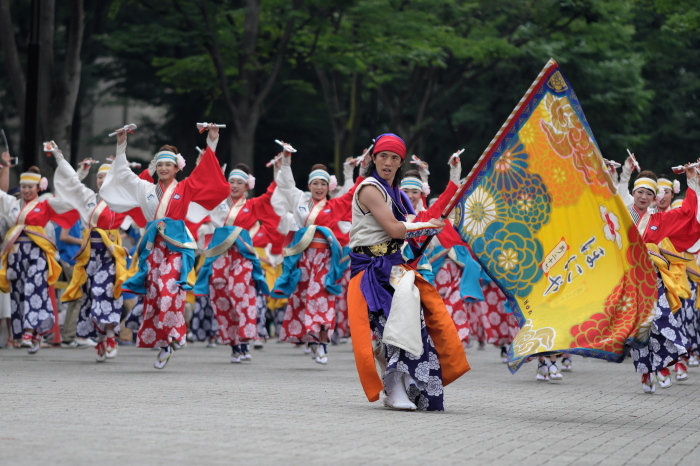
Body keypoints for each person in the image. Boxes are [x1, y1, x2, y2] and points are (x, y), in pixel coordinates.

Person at [346, 133, 470, 411]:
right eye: (383, 156)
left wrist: (453, 181)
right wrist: (426, 227)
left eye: (394, 158)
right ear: (373, 159)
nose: (388, 162)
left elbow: (425, 217)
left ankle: (405, 388)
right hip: (370, 273)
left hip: (393, 270)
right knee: (391, 329)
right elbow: (396, 229)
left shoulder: (398, 195)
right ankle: (393, 389)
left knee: (412, 328)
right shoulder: (369, 188)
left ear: (400, 162)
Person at [100, 124, 229, 369]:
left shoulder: (185, 187)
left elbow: (205, 173)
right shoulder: (145, 189)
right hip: (153, 249)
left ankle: (176, 333)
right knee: (155, 295)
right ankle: (165, 344)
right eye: (159, 165)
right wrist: (121, 144)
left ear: (176, 167)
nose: (163, 169)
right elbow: (124, 174)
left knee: (169, 289)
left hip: (177, 247)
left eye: (168, 165)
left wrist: (213, 140)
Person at [52, 151, 147, 361]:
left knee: (104, 293)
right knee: (90, 297)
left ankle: (111, 336)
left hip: (110, 257)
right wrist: (61, 159)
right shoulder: (89, 199)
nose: (102, 180)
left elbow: (140, 196)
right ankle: (103, 338)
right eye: (100, 177)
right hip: (89, 257)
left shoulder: (120, 203)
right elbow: (72, 188)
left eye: (106, 177)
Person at [270, 150, 363, 364]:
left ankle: (322, 344)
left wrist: (362, 169)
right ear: (309, 185)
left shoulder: (335, 205)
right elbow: (285, 185)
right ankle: (312, 341)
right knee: (304, 299)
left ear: (328, 186)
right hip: (304, 258)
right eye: (315, 184)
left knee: (321, 298)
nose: (319, 188)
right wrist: (286, 160)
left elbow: (354, 193)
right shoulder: (300, 201)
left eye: (323, 183)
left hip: (325, 260)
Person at [193, 163, 281, 363]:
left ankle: (245, 339)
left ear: (247, 186)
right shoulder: (219, 204)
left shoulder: (253, 205)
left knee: (241, 294)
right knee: (222, 298)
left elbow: (272, 193)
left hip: (242, 257)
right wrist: (202, 164)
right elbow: (204, 189)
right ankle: (234, 344)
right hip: (220, 256)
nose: (234, 185)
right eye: (231, 181)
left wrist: (280, 169)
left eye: (239, 182)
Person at [0, 151, 79, 354]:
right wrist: (6, 168)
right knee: (18, 294)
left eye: (30, 187)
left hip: (37, 254)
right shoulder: (13, 205)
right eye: (24, 187)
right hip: (17, 254)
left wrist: (78, 173)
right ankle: (34, 334)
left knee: (33, 291)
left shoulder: (45, 203)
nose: (26, 190)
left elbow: (66, 195)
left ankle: (28, 332)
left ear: (39, 187)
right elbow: (1, 192)